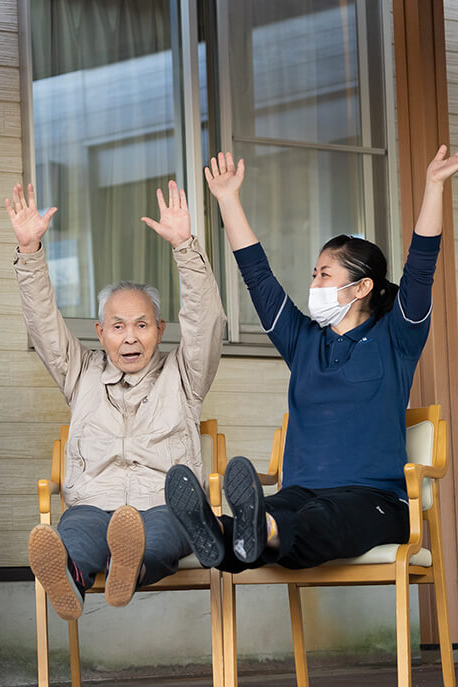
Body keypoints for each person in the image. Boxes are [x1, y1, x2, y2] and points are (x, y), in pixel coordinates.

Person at [165, 147, 458, 571]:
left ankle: (241, 534)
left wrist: (433, 186)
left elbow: (420, 268)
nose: (314, 281)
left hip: (374, 498)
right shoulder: (303, 341)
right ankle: (231, 534)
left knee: (318, 519)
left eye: (324, 274)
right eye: (314, 274)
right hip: (302, 492)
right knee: (281, 510)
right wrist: (228, 199)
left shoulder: (397, 336)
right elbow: (258, 277)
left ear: (361, 288)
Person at [6, 181, 226, 620]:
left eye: (142, 326)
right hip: (94, 503)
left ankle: (131, 564)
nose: (130, 337)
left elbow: (206, 322)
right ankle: (70, 573)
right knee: (78, 531)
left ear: (160, 330)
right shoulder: (81, 372)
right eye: (118, 326)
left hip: (163, 502)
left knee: (164, 526)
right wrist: (29, 252)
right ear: (100, 332)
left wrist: (185, 246)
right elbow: (44, 327)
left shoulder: (185, 376)